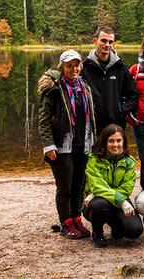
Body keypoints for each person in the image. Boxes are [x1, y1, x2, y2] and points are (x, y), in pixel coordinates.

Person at [38, 49, 96, 239]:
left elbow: (89, 117)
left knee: (79, 184)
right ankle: (65, 223)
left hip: (82, 144)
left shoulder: (84, 86)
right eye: (69, 65)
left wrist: (93, 141)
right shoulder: (54, 89)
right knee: (65, 186)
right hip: (61, 146)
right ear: (62, 67)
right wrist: (48, 145)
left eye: (77, 65)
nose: (74, 69)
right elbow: (44, 119)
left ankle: (76, 218)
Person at [83, 124, 143, 247]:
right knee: (101, 204)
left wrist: (97, 193)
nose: (115, 145)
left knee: (134, 230)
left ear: (124, 142)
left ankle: (116, 226)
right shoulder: (93, 160)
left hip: (116, 199)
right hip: (97, 204)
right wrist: (121, 201)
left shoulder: (129, 162)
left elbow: (126, 188)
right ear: (104, 142)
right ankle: (97, 233)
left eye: (118, 141)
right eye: (111, 141)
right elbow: (97, 186)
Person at [81, 26, 137, 134]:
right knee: (94, 151)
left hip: (116, 125)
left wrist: (120, 111)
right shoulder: (84, 68)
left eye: (110, 42)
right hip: (91, 126)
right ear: (95, 41)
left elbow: (133, 96)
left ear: (113, 44)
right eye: (103, 40)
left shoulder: (121, 68)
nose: (107, 45)